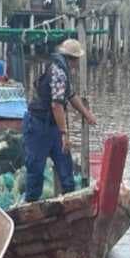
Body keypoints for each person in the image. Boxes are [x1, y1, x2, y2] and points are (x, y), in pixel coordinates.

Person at [22, 39, 97, 202]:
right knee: (35, 171)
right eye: (78, 60)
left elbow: (70, 95)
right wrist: (64, 134)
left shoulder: (63, 70)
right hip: (38, 126)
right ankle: (31, 208)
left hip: (52, 126)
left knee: (66, 169)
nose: (78, 64)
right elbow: (57, 105)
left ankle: (69, 202)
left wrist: (86, 113)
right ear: (74, 59)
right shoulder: (59, 72)